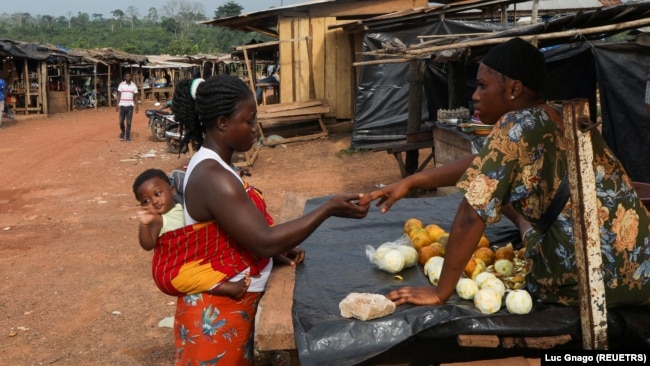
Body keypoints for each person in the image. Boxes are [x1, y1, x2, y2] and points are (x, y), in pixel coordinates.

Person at [361, 37, 650, 309]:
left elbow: (470, 214)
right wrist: (411, 182)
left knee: (495, 201)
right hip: (640, 269)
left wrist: (440, 291)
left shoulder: (515, 124)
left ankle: (530, 238)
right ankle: (529, 231)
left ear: (513, 89)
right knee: (503, 192)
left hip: (591, 282)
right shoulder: (559, 114)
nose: (474, 96)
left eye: (482, 86)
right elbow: (484, 163)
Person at [169, 74, 368, 364]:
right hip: (215, 316)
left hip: (226, 307)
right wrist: (327, 209)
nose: (255, 128)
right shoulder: (214, 177)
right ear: (223, 123)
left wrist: (274, 253)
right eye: (248, 121)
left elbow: (238, 233)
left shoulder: (217, 166)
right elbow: (264, 240)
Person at [133, 168, 251, 299]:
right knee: (197, 278)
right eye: (146, 201)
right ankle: (231, 289)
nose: (154, 201)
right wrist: (144, 224)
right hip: (170, 272)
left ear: (172, 191)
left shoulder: (182, 207)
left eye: (158, 193)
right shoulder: (157, 219)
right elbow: (148, 245)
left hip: (188, 260)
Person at [115, 73, 139, 142]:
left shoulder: (134, 86)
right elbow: (118, 95)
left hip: (130, 106)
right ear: (125, 77)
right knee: (121, 121)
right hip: (122, 105)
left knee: (129, 122)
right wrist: (117, 104)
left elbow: (136, 96)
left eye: (129, 76)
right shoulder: (121, 84)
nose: (128, 77)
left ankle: (127, 136)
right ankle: (123, 132)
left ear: (131, 77)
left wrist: (137, 106)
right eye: (127, 76)